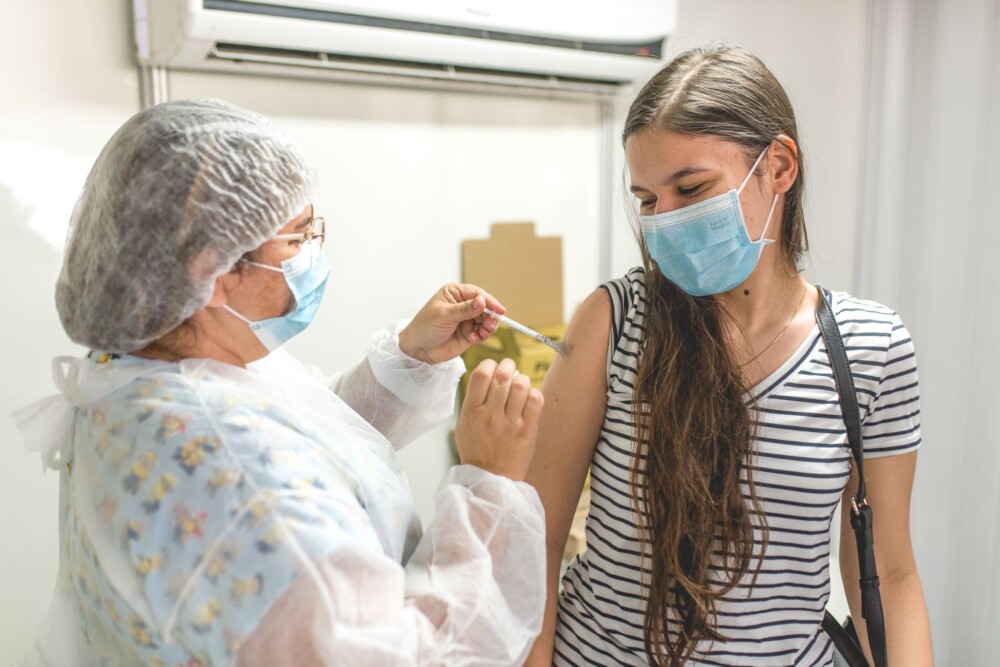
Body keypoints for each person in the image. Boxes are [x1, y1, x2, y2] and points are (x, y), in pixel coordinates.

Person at [14, 98, 546, 666]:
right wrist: (490, 485)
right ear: (211, 269)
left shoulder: (149, 373)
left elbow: (311, 446)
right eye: (297, 238)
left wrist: (412, 358)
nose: (314, 251)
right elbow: (417, 657)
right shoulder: (239, 480)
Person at [523, 46, 933, 666]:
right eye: (647, 199)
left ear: (778, 166)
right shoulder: (615, 322)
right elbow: (536, 540)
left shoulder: (870, 350)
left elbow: (891, 574)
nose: (664, 222)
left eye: (691, 188)